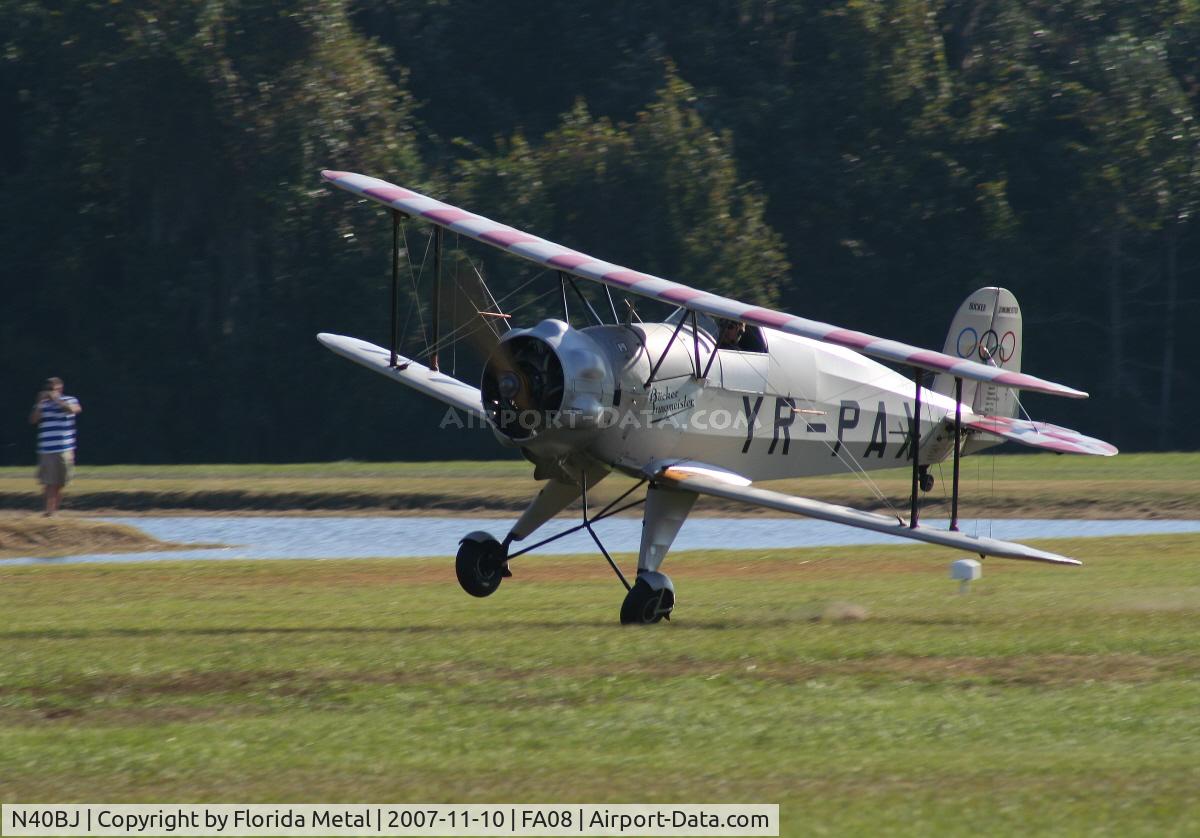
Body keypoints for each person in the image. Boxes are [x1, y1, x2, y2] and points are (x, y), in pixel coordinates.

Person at [29, 377, 82, 516]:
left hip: (64, 448)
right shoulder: (43, 404)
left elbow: (73, 410)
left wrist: (57, 400)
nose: (51, 392)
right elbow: (33, 420)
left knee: (59, 483)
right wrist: (39, 402)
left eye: (54, 388)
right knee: (48, 483)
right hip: (46, 448)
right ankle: (49, 512)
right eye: (49, 389)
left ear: (60, 388)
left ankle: (53, 511)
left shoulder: (70, 400)